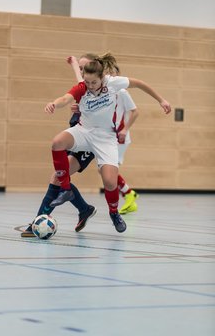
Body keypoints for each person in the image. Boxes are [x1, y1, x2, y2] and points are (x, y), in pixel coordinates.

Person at [45, 54, 171, 233]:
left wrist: (161, 100)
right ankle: (66, 189)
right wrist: (53, 104)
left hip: (105, 138)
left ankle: (114, 213)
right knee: (57, 142)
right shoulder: (84, 85)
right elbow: (65, 98)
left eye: (93, 83)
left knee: (110, 182)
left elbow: (140, 83)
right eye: (86, 82)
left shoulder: (114, 83)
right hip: (84, 132)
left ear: (102, 78)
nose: (89, 86)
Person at [68, 54, 139, 214]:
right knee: (104, 170)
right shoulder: (99, 90)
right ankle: (128, 193)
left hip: (117, 136)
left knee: (107, 171)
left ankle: (129, 194)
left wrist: (125, 129)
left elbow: (135, 112)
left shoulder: (120, 90)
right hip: (104, 135)